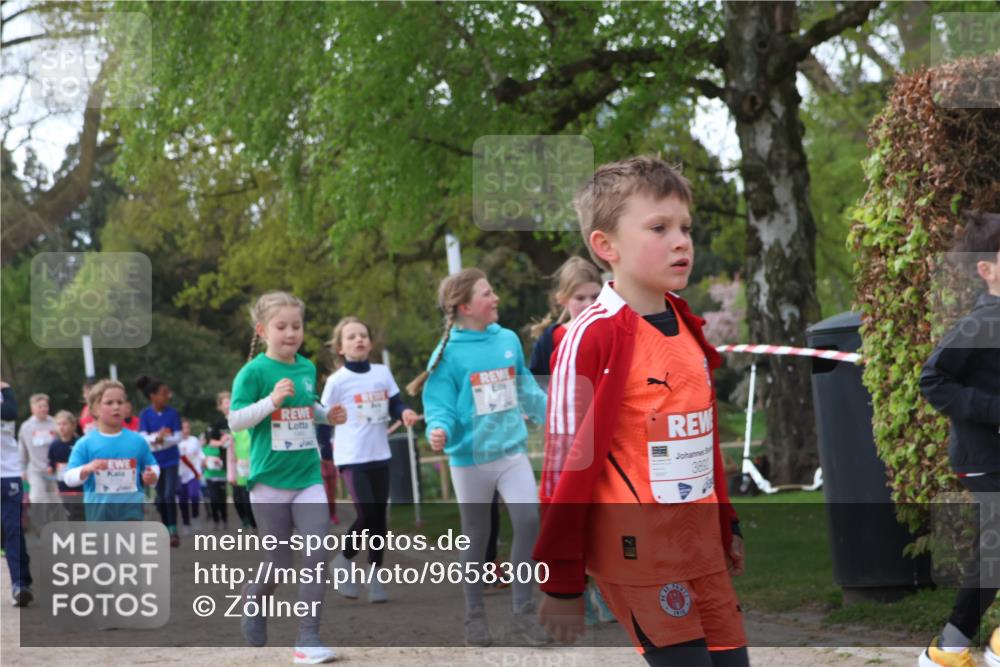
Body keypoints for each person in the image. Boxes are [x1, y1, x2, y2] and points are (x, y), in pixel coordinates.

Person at [533, 156, 748, 667]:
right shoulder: (591, 336)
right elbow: (563, 465)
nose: (681, 242)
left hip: (701, 551)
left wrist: (727, 524)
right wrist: (561, 580)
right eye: (659, 228)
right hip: (639, 555)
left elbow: (700, 437)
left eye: (685, 228)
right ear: (605, 246)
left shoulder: (687, 325)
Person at [408, 268, 550, 647]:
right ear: (465, 306)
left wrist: (554, 415)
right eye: (487, 293)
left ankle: (522, 613)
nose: (496, 298)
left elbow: (525, 388)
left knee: (528, 520)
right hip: (470, 458)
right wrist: (439, 429)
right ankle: (474, 616)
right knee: (477, 535)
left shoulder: (507, 339)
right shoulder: (447, 354)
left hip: (510, 451)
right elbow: (439, 405)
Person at [228, 291, 346, 664]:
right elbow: (235, 421)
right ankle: (254, 597)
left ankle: (308, 638)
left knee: (317, 552)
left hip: (307, 476)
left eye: (297, 326)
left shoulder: (306, 368)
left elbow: (308, 406)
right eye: (282, 326)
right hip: (268, 481)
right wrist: (271, 402)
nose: (291, 333)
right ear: (262, 331)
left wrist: (327, 415)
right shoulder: (253, 372)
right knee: (279, 563)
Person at [918, 211, 1000, 667]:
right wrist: (992, 410)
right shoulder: (979, 323)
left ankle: (952, 648)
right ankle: (952, 649)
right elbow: (933, 380)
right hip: (983, 456)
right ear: (986, 269)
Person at [529, 256, 613, 625]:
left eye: (595, 296)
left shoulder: (607, 330)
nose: (588, 304)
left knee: (605, 515)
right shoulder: (551, 339)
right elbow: (533, 384)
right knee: (568, 515)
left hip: (603, 437)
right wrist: (551, 408)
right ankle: (575, 589)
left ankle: (606, 590)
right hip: (565, 443)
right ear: (562, 299)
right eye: (580, 298)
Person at [323, 316, 419, 604]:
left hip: (380, 454)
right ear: (340, 348)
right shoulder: (337, 381)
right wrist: (324, 454)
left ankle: (375, 577)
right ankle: (343, 560)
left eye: (363, 335)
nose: (359, 340)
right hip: (352, 457)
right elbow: (323, 418)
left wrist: (404, 412)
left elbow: (395, 403)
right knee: (366, 514)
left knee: (379, 520)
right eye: (351, 337)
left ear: (370, 343)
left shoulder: (381, 373)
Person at [64, 379, 159, 522]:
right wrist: (87, 469)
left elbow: (152, 465)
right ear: (94, 409)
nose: (116, 407)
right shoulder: (85, 444)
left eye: (120, 402)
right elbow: (69, 478)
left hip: (132, 516)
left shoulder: (137, 441)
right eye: (109, 403)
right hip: (99, 519)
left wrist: (153, 475)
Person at [137, 374, 183, 547]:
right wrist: (157, 437)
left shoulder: (173, 413)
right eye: (164, 393)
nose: (167, 396)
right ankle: (166, 528)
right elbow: (143, 437)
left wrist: (162, 440)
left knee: (169, 494)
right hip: (154, 462)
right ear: (153, 396)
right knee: (161, 496)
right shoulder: (145, 414)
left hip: (171, 460)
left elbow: (178, 437)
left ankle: (173, 530)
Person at [1, 381, 33, 606]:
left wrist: (4, 387)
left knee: (13, 529)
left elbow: (10, 412)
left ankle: (20, 584)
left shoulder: (5, 392)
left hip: (8, 473)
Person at [18, 394, 60, 516]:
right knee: (37, 498)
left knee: (56, 501)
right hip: (35, 469)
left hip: (54, 469)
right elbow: (22, 449)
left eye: (45, 406)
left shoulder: (55, 423)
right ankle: (40, 525)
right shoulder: (26, 427)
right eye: (40, 406)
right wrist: (22, 469)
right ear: (32, 408)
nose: (43, 409)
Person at [47, 410, 84, 521]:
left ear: (73, 425)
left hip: (78, 482)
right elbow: (51, 460)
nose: (61, 427)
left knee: (79, 509)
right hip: (62, 482)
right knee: (68, 509)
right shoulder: (54, 444)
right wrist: (50, 467)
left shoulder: (79, 443)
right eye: (59, 424)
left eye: (64, 424)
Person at [204, 393, 232, 531]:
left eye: (230, 401)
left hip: (242, 459)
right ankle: (218, 519)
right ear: (220, 406)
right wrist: (221, 442)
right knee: (217, 496)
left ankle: (249, 519)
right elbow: (211, 442)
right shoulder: (219, 423)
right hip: (225, 461)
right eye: (225, 402)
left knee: (241, 491)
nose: (228, 404)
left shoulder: (240, 418)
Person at [176, 418, 203, 535]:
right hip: (180, 474)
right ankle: (186, 523)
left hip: (193, 473)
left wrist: (205, 461)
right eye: (183, 428)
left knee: (194, 495)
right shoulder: (176, 443)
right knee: (182, 500)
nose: (185, 430)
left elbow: (200, 454)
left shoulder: (194, 440)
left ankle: (195, 517)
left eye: (187, 427)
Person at [227, 427, 256, 530]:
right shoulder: (234, 431)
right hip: (240, 471)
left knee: (250, 500)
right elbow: (230, 455)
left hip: (255, 470)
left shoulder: (255, 428)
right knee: (240, 500)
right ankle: (250, 522)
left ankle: (255, 525)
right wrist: (231, 475)